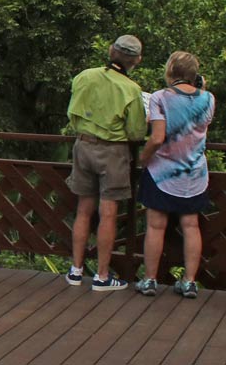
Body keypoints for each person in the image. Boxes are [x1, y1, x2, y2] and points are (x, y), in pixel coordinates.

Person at [63, 34, 146, 291]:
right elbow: (136, 133)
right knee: (108, 213)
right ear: (137, 61)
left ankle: (75, 270)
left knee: (83, 209)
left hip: (83, 145)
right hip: (112, 151)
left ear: (111, 51)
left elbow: (72, 110)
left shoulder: (84, 76)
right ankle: (102, 276)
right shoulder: (131, 90)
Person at [134, 52, 214, 299]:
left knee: (156, 227)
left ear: (170, 71)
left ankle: (149, 280)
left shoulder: (160, 97)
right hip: (195, 173)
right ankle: (190, 282)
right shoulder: (209, 99)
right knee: (191, 225)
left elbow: (157, 137)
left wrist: (142, 159)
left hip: (162, 173)